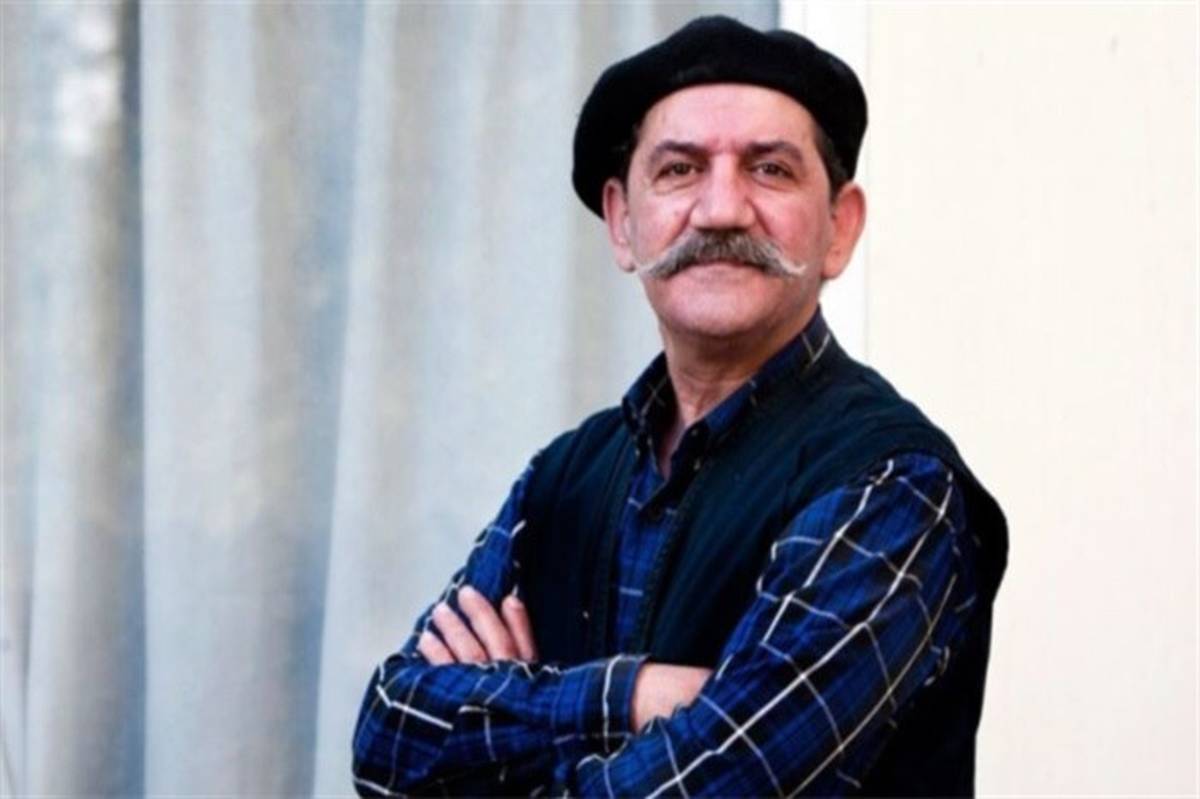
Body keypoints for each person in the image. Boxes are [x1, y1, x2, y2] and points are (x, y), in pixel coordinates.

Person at [352, 15, 1007, 797]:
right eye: (679, 170)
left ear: (840, 228)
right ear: (622, 223)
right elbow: (387, 741)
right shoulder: (562, 480)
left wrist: (502, 729)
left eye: (770, 169)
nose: (722, 209)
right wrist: (634, 695)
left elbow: (716, 785)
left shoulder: (890, 485)